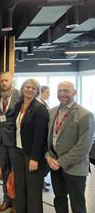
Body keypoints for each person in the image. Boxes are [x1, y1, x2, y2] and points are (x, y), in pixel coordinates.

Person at [45, 81, 95, 213]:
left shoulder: (85, 115)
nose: (62, 94)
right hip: (54, 165)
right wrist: (48, 156)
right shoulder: (52, 111)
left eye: (66, 90)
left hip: (75, 168)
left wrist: (60, 162)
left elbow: (83, 147)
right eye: (60, 90)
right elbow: (48, 139)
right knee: (59, 199)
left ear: (74, 92)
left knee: (77, 204)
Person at [13, 79, 49, 213]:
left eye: (33, 88)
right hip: (18, 151)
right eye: (27, 87)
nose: (30, 90)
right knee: (20, 188)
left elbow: (40, 136)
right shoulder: (18, 105)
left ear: (37, 92)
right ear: (22, 89)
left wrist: (35, 158)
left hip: (32, 155)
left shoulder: (40, 109)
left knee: (33, 191)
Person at [0, 72, 19, 213]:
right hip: (1, 140)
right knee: (4, 171)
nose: (4, 83)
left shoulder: (19, 95)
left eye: (6, 80)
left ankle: (15, 202)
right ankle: (6, 200)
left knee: (15, 173)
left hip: (14, 140)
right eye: (2, 81)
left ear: (12, 80)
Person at [38, 85, 51, 191]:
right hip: (41, 135)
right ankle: (40, 182)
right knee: (42, 161)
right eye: (47, 92)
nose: (49, 94)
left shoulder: (45, 103)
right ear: (42, 92)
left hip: (47, 134)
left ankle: (42, 180)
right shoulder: (38, 104)